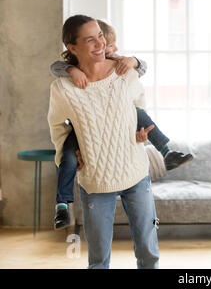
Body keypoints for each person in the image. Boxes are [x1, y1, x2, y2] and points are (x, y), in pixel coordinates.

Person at [50, 19, 193, 230]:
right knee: (68, 157)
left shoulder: (119, 67)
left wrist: (133, 60)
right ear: (74, 48)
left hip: (130, 163)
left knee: (139, 113)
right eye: (107, 44)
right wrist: (72, 70)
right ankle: (62, 204)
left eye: (103, 40)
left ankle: (167, 152)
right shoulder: (66, 78)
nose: (110, 48)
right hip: (82, 133)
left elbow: (141, 69)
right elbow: (56, 67)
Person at [48, 14, 159, 268]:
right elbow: (57, 127)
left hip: (136, 172)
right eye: (90, 40)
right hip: (95, 180)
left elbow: (139, 109)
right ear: (72, 48)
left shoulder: (125, 74)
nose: (100, 44)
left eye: (100, 36)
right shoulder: (62, 88)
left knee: (148, 251)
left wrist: (140, 133)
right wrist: (67, 153)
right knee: (98, 260)